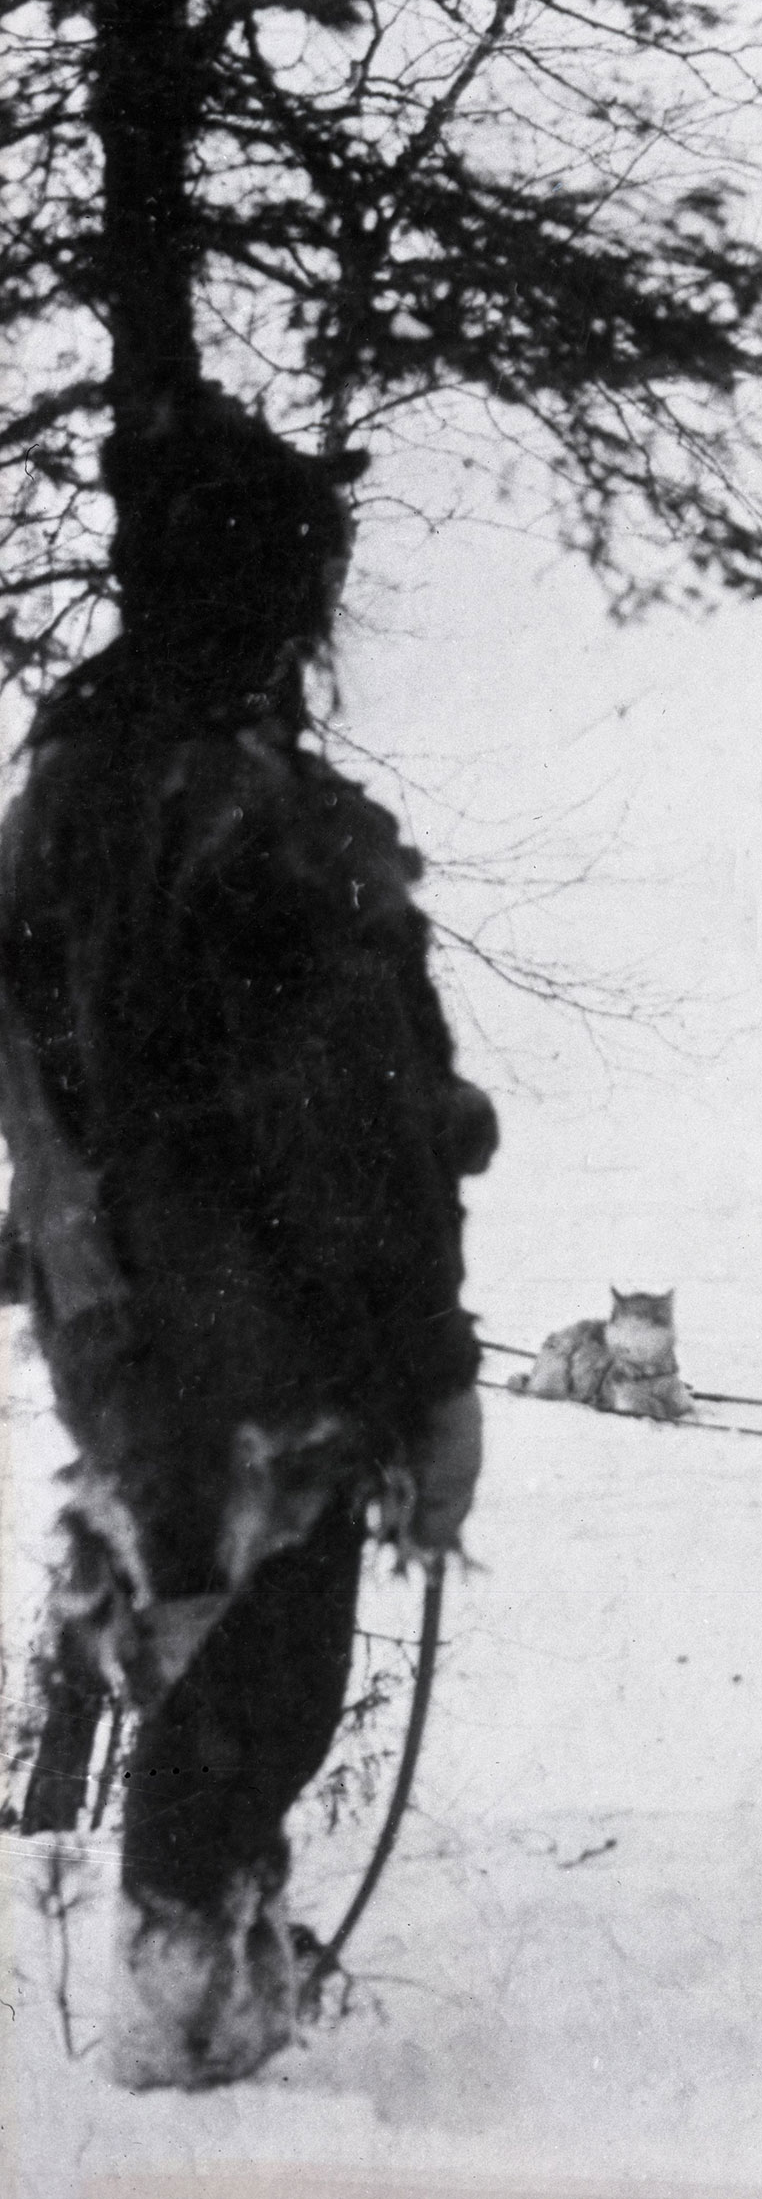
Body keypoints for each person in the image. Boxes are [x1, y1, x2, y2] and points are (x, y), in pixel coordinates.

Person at [0, 390, 493, 2088]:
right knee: (264, 1677)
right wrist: (425, 1360)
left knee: (223, 1659)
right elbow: (343, 1121)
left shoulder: (76, 780)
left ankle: (203, 1976)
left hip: (129, 1307)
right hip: (264, 1322)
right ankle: (191, 2031)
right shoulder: (230, 804)